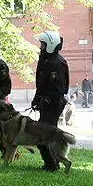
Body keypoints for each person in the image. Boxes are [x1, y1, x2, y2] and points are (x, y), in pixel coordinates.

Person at [31, 31, 69, 172]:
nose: (40, 47)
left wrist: (46, 100)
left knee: (44, 136)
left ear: (50, 45)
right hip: (46, 102)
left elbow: (58, 88)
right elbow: (42, 84)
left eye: (43, 44)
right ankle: (50, 163)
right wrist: (37, 98)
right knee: (42, 135)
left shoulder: (57, 62)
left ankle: (52, 164)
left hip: (53, 104)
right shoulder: (46, 60)